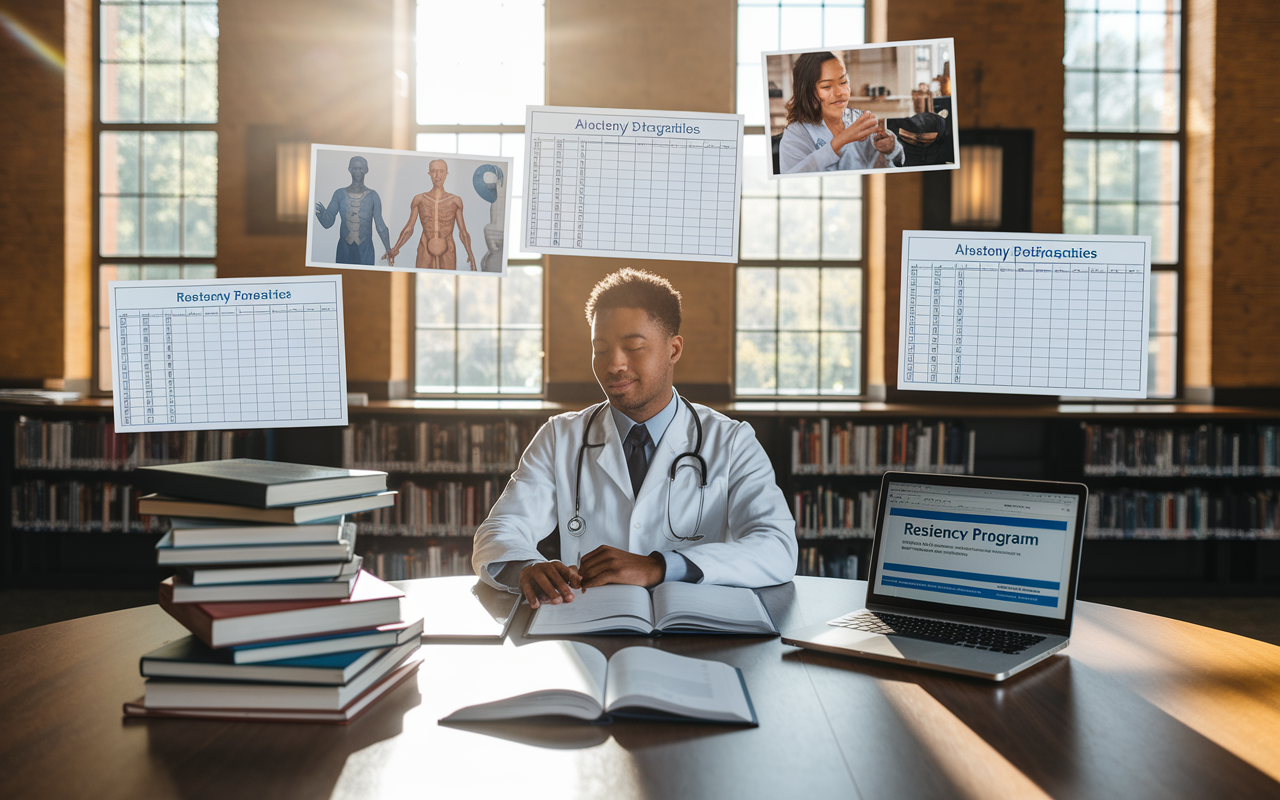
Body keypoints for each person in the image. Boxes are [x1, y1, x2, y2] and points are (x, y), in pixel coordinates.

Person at [472, 268, 798, 607]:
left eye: (633, 347)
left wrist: (660, 566)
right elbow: (499, 530)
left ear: (673, 350)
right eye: (600, 349)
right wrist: (527, 566)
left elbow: (776, 546)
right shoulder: (560, 437)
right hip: (592, 627)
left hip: (694, 628)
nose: (614, 365)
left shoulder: (732, 441)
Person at [778, 51, 903, 174]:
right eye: (827, 86)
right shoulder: (795, 135)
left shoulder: (859, 118)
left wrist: (890, 149)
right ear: (806, 92)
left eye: (843, 82)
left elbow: (892, 165)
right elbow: (792, 180)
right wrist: (841, 140)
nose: (840, 93)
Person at [384, 159, 477, 270]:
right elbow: (409, 227)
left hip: (448, 249)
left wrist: (470, 254)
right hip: (425, 248)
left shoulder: (455, 201)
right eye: (434, 171)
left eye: (441, 171)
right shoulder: (419, 199)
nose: (437, 175)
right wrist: (396, 248)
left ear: (446, 174)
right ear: (429, 173)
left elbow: (463, 231)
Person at [313, 156, 393, 265]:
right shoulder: (339, 194)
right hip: (344, 250)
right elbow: (328, 223)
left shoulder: (373, 196)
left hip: (365, 250)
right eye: (355, 168)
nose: (358, 171)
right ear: (349, 169)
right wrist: (321, 215)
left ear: (366, 170)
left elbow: (380, 226)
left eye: (361, 168)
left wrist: (389, 250)